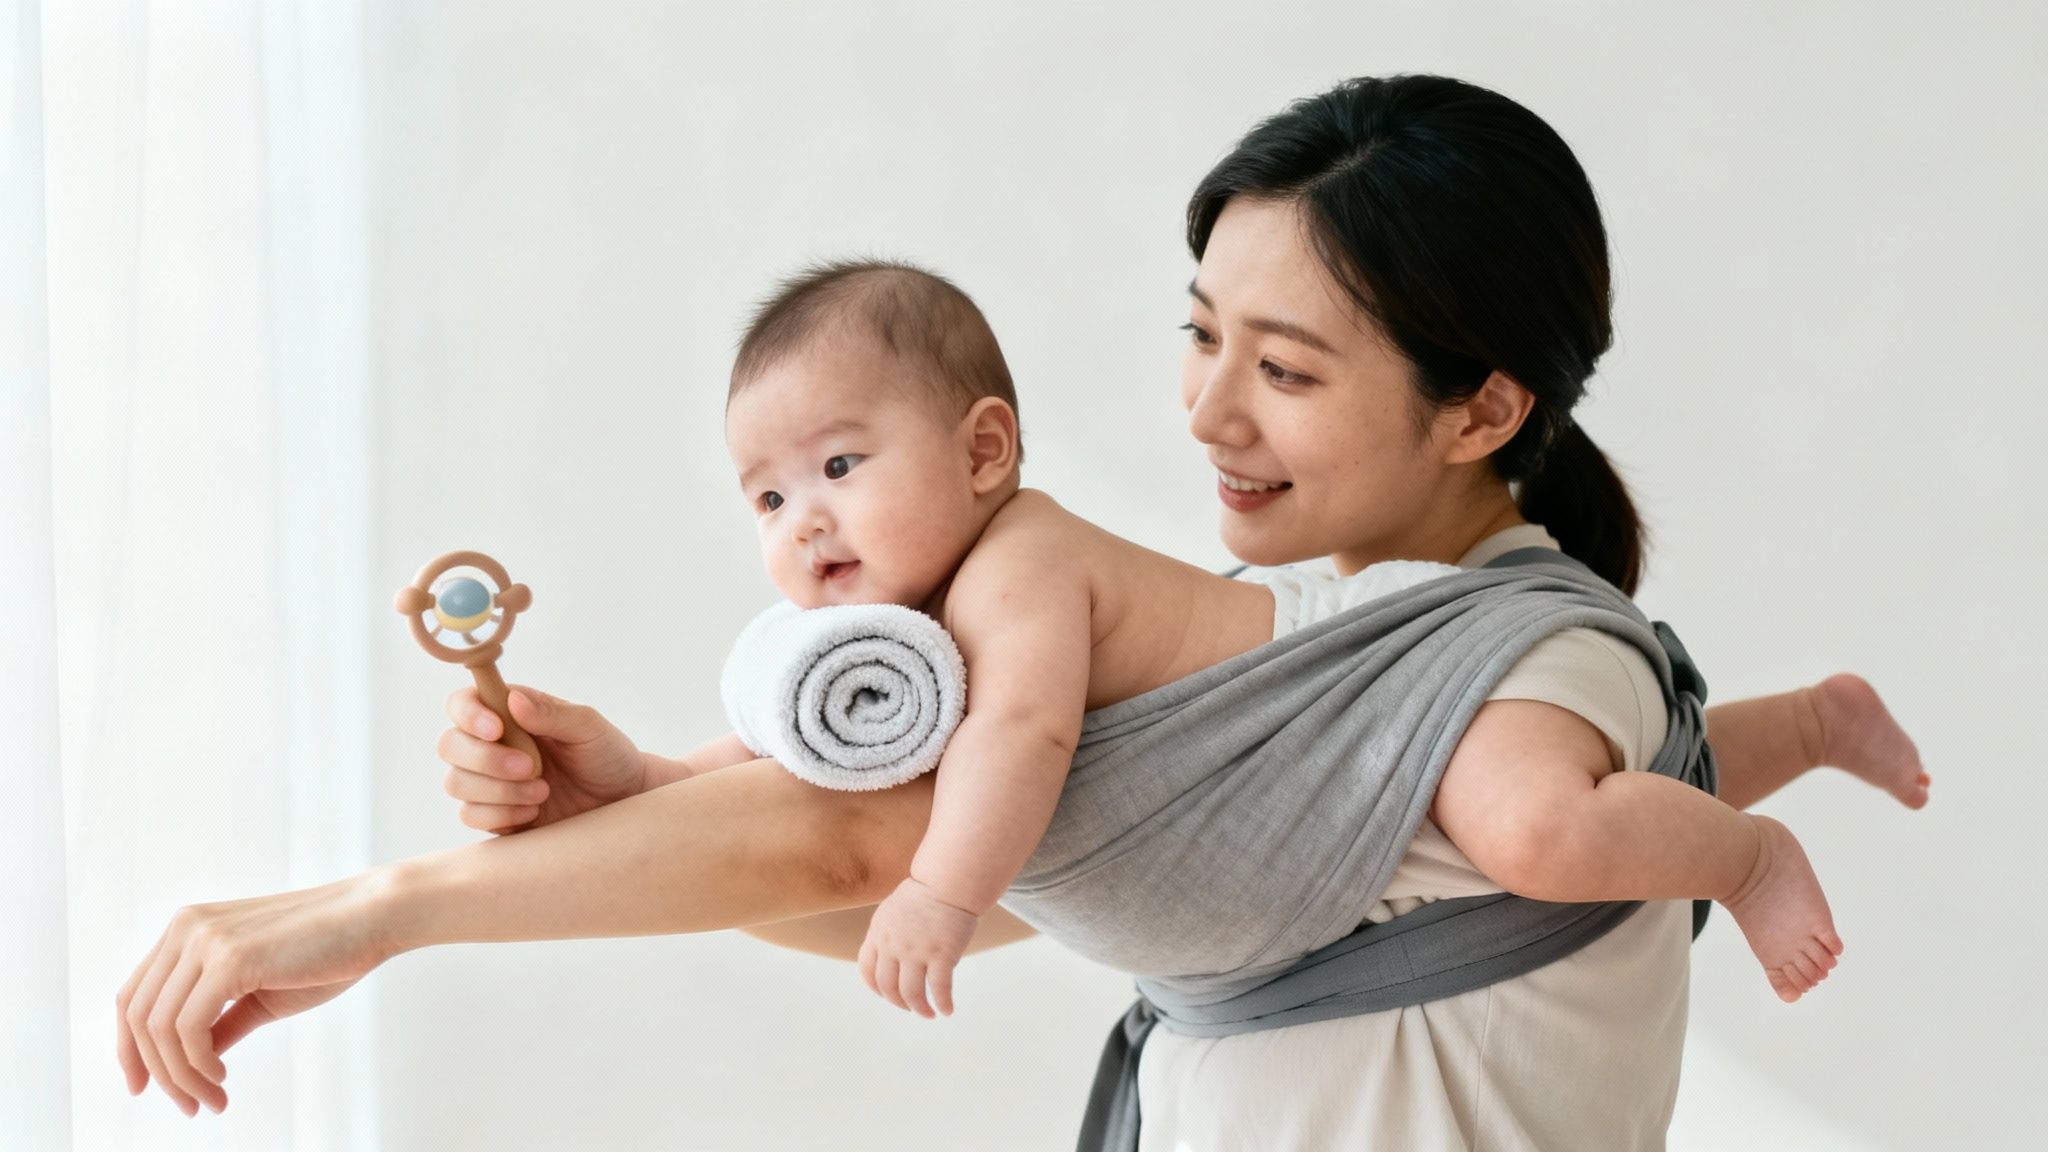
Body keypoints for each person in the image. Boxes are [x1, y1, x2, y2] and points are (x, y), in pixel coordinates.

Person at [115, 75, 1927, 1147]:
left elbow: (853, 832)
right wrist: (637, 802)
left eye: (1282, 367)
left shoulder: (1508, 671)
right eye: (1198, 334)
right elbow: (918, 897)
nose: (1206, 416)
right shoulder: (1298, 641)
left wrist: (382, 909)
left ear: (1480, 410)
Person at [705, 255, 1897, 1020]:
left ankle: (1746, 857)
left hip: (1337, 669)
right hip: (1292, 778)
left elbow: (1022, 730)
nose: (804, 518)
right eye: (766, 497)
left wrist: (938, 894)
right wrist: (635, 777)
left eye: (841, 466)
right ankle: (1807, 721)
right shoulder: (892, 646)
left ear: (981, 451)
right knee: (1546, 796)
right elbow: (788, 758)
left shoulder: (1017, 564)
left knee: (1531, 824)